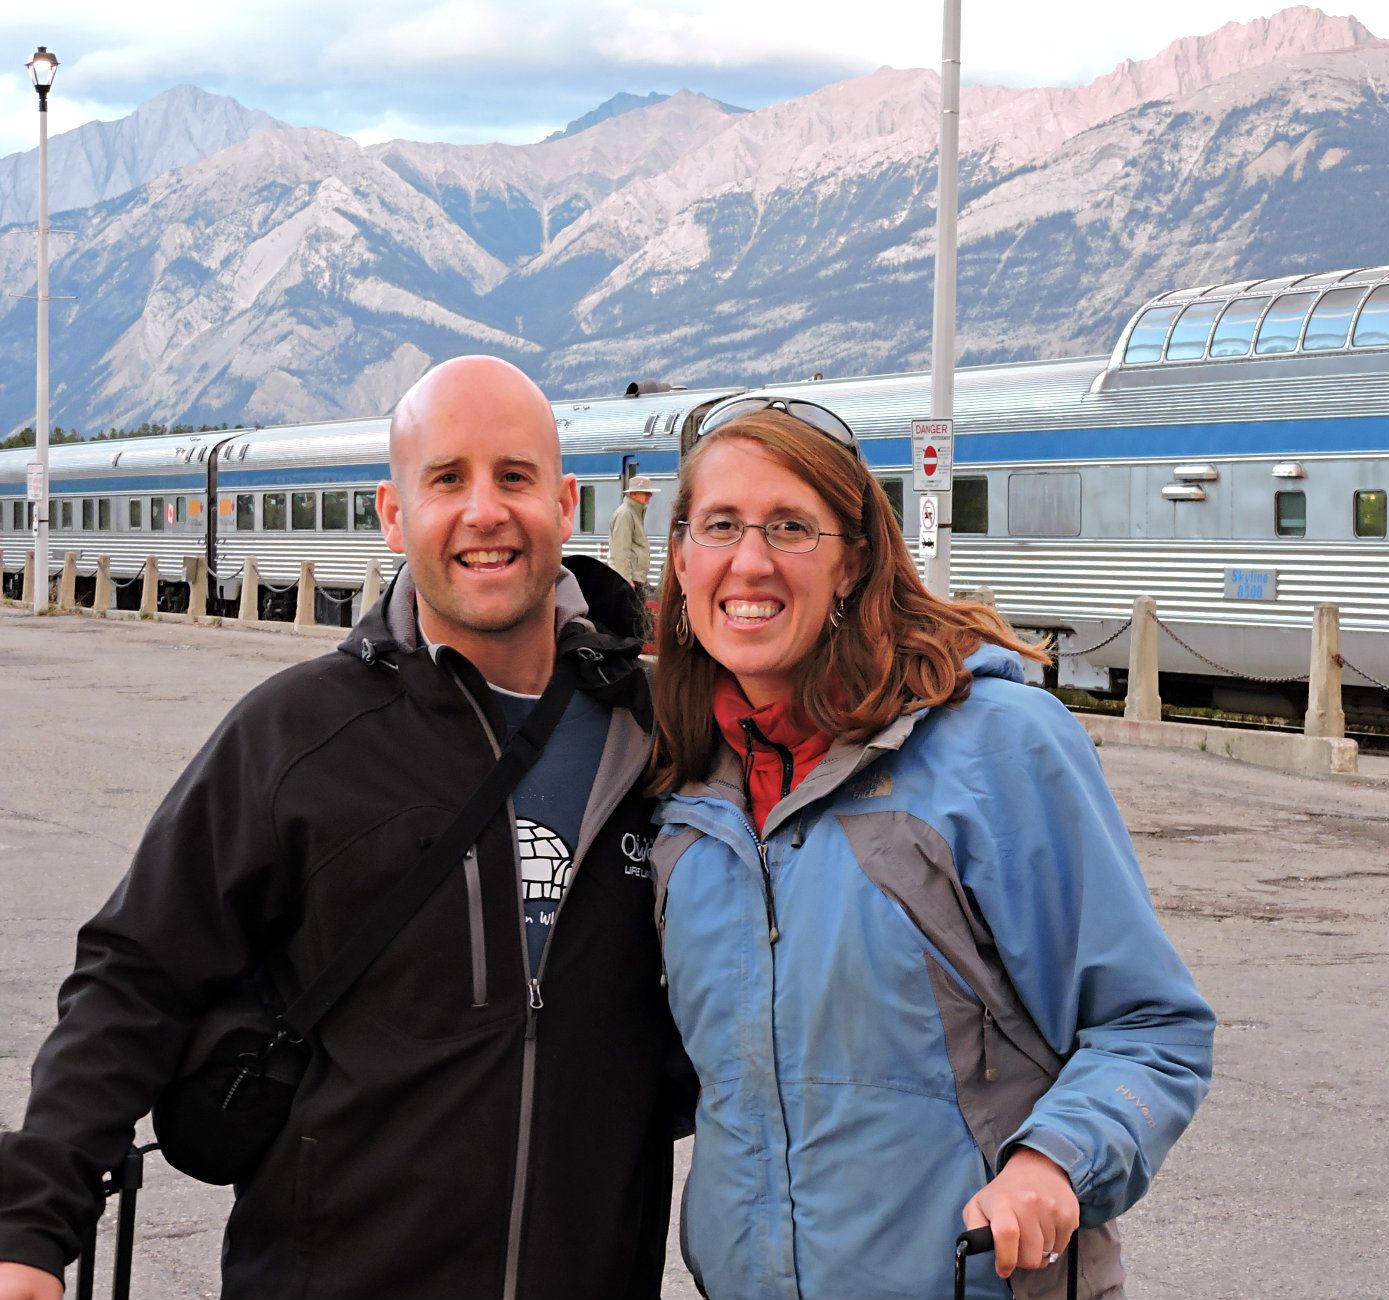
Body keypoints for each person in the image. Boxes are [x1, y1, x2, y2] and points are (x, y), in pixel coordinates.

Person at [0, 357, 694, 1300]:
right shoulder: (295, 734)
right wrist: (31, 1232)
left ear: (565, 503)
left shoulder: (660, 737)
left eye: (515, 477)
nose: (484, 511)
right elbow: (136, 975)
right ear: (393, 514)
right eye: (447, 479)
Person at [646, 396, 1214, 1300]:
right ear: (680, 556)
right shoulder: (681, 792)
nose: (748, 562)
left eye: (791, 527)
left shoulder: (995, 747)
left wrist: (1054, 1162)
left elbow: (1148, 1029)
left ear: (854, 563)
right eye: (719, 526)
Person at [609, 474, 656, 593]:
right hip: (630, 581)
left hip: (636, 579)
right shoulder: (625, 514)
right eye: (646, 493)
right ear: (633, 494)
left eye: (650, 493)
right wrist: (626, 580)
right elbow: (620, 551)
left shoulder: (633, 512)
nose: (650, 496)